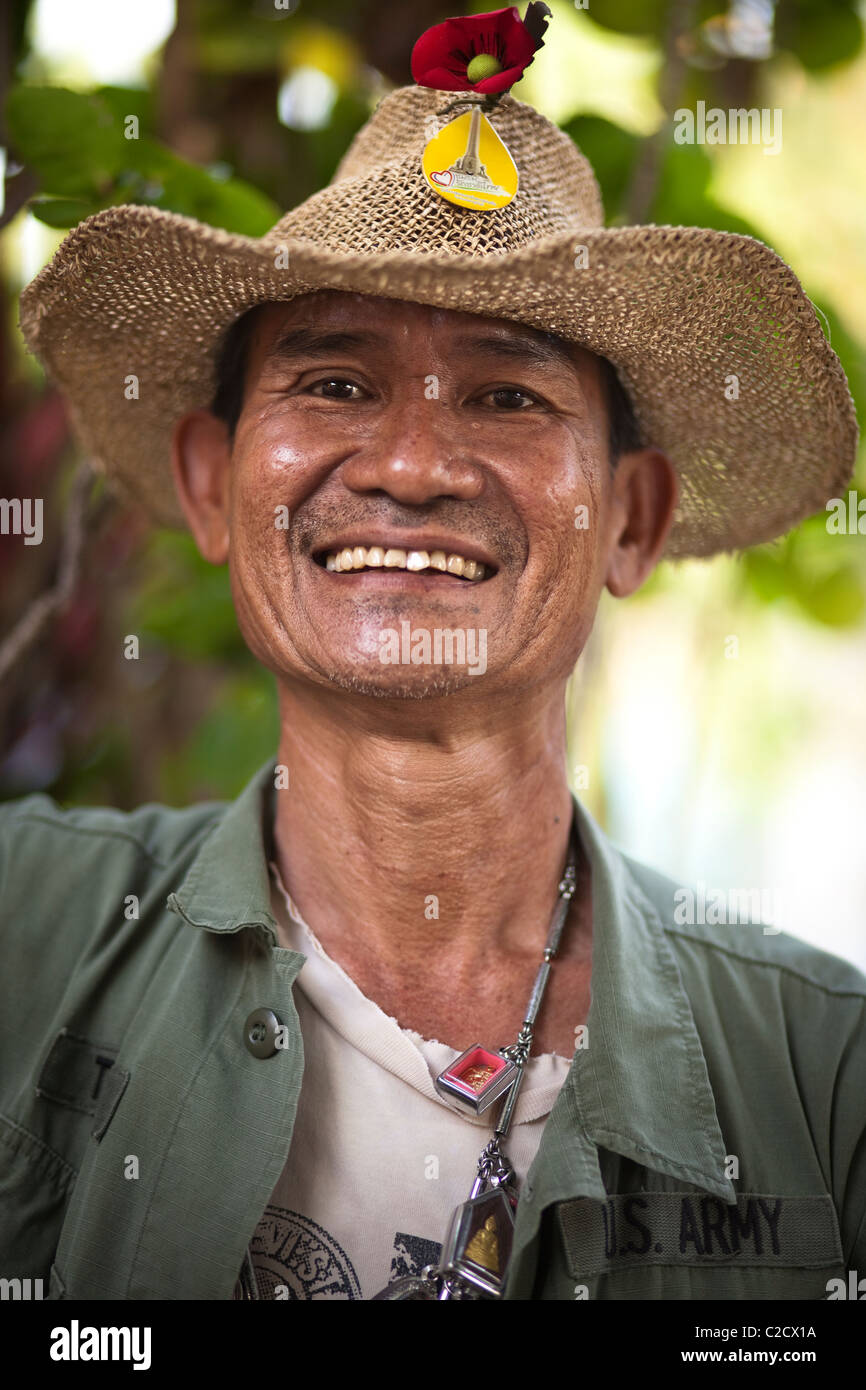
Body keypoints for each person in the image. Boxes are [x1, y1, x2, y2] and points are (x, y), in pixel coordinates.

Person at [1, 8, 863, 1301]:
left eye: (507, 395)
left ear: (631, 516)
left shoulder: (825, 1078)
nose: (408, 465)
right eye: (334, 382)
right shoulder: (23, 933)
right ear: (211, 484)